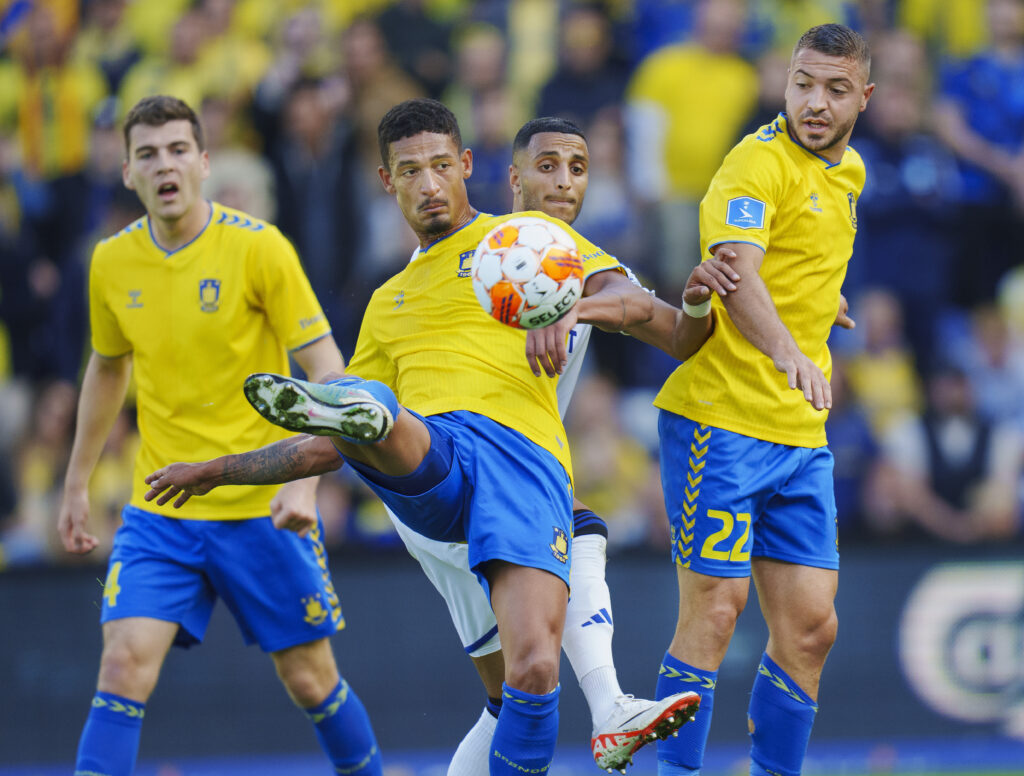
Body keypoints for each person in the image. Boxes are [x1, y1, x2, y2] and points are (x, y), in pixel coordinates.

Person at [146, 113, 741, 774]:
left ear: (464, 165)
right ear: (386, 183)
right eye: (408, 171)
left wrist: (575, 306)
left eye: (438, 166)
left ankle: (365, 411)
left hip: (522, 464)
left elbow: (649, 314)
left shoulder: (528, 241)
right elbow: (329, 451)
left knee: (533, 673)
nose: (427, 184)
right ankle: (368, 411)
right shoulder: (387, 301)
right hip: (436, 460)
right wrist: (222, 470)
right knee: (380, 421)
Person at [56, 95, 387, 776]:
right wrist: (75, 481)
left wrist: (305, 480)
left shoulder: (259, 248)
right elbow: (108, 367)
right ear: (126, 173)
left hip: (260, 507)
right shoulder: (111, 263)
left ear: (203, 162)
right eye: (147, 154)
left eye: (178, 149)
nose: (164, 164)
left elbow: (331, 372)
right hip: (162, 508)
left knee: (310, 680)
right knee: (121, 666)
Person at [650, 24, 873, 776]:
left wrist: (820, 301)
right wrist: (788, 351)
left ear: (864, 98)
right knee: (713, 615)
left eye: (835, 89)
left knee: (811, 629)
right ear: (784, 83)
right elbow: (737, 271)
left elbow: (796, 256)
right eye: (804, 83)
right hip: (721, 421)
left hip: (797, 435)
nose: (815, 101)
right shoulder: (754, 164)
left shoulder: (852, 174)